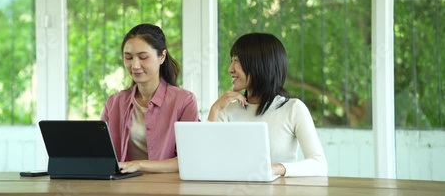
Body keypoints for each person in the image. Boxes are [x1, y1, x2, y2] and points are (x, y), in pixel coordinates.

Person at [208, 32, 328, 177]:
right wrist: (215, 109)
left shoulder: (293, 109)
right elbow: (206, 161)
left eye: (236, 60)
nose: (230, 69)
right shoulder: (227, 110)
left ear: (259, 63)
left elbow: (319, 165)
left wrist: (275, 169)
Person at [101, 23, 199, 173]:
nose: (134, 65)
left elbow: (189, 159)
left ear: (162, 56)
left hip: (167, 188)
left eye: (143, 57)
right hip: (123, 187)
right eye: (128, 57)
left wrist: (139, 165)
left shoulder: (184, 101)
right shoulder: (114, 103)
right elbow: (101, 154)